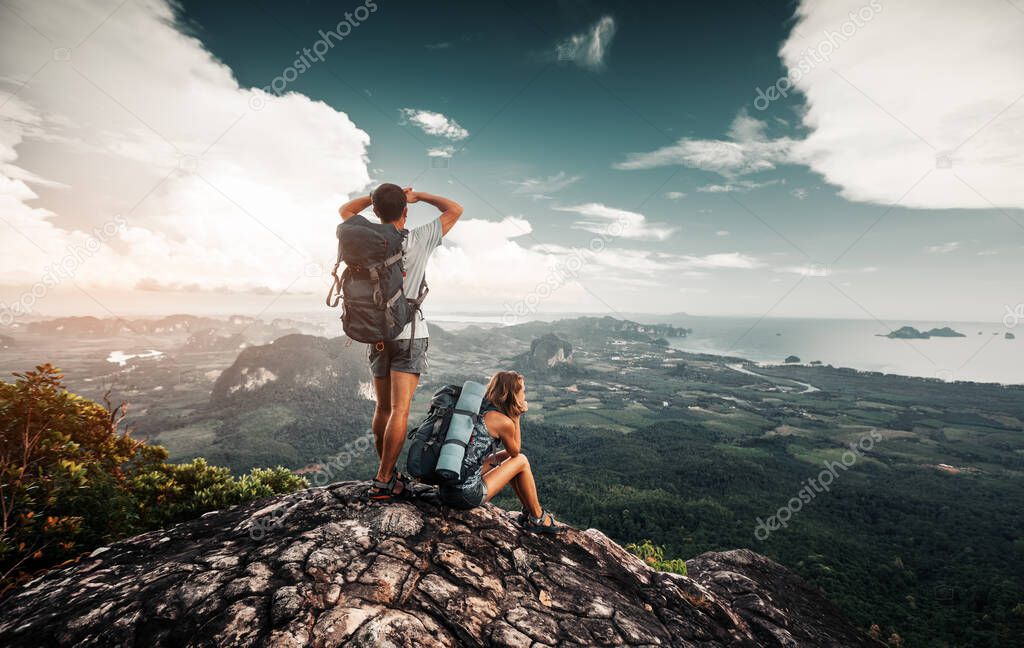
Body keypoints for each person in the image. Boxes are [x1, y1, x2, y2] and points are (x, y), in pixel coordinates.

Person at [338, 183, 463, 501]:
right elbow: (454, 209)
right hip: (409, 334)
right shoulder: (418, 238)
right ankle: (383, 480)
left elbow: (347, 211)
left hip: (376, 333)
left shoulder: (365, 238)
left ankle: (388, 475)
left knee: (382, 407)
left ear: (376, 211)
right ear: (405, 212)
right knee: (400, 410)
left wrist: (377, 199)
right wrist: (421, 196)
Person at [439, 370, 563, 533]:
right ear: (512, 394)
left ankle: (528, 511)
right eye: (522, 391)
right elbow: (515, 451)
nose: (524, 395)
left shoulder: (478, 407)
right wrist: (517, 416)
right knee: (521, 460)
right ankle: (538, 517)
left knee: (503, 457)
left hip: (447, 486)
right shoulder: (502, 421)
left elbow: (507, 455)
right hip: (466, 495)